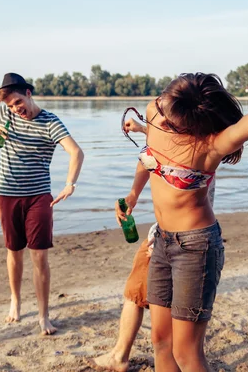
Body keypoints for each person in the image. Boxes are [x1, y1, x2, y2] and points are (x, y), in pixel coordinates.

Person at [116, 73, 248, 371]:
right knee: (160, 342)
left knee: (186, 352)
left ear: (190, 122)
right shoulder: (156, 111)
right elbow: (148, 155)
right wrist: (132, 194)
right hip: (162, 240)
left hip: (195, 248)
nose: (159, 119)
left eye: (169, 118)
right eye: (162, 109)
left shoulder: (209, 147)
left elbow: (239, 130)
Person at [0, 72, 84, 335]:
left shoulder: (50, 121)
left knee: (39, 255)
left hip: (39, 197)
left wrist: (70, 183)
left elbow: (76, 152)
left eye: (17, 102)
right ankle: (15, 301)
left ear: (28, 93)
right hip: (6, 194)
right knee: (14, 250)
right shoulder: (3, 115)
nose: (16, 110)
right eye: (10, 106)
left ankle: (43, 316)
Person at [90, 119, 216, 372]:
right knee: (162, 335)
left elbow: (178, 145)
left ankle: (119, 356)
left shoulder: (202, 147)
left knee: (181, 345)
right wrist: (133, 194)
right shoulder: (181, 141)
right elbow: (158, 152)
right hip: (165, 233)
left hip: (183, 237)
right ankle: (121, 354)